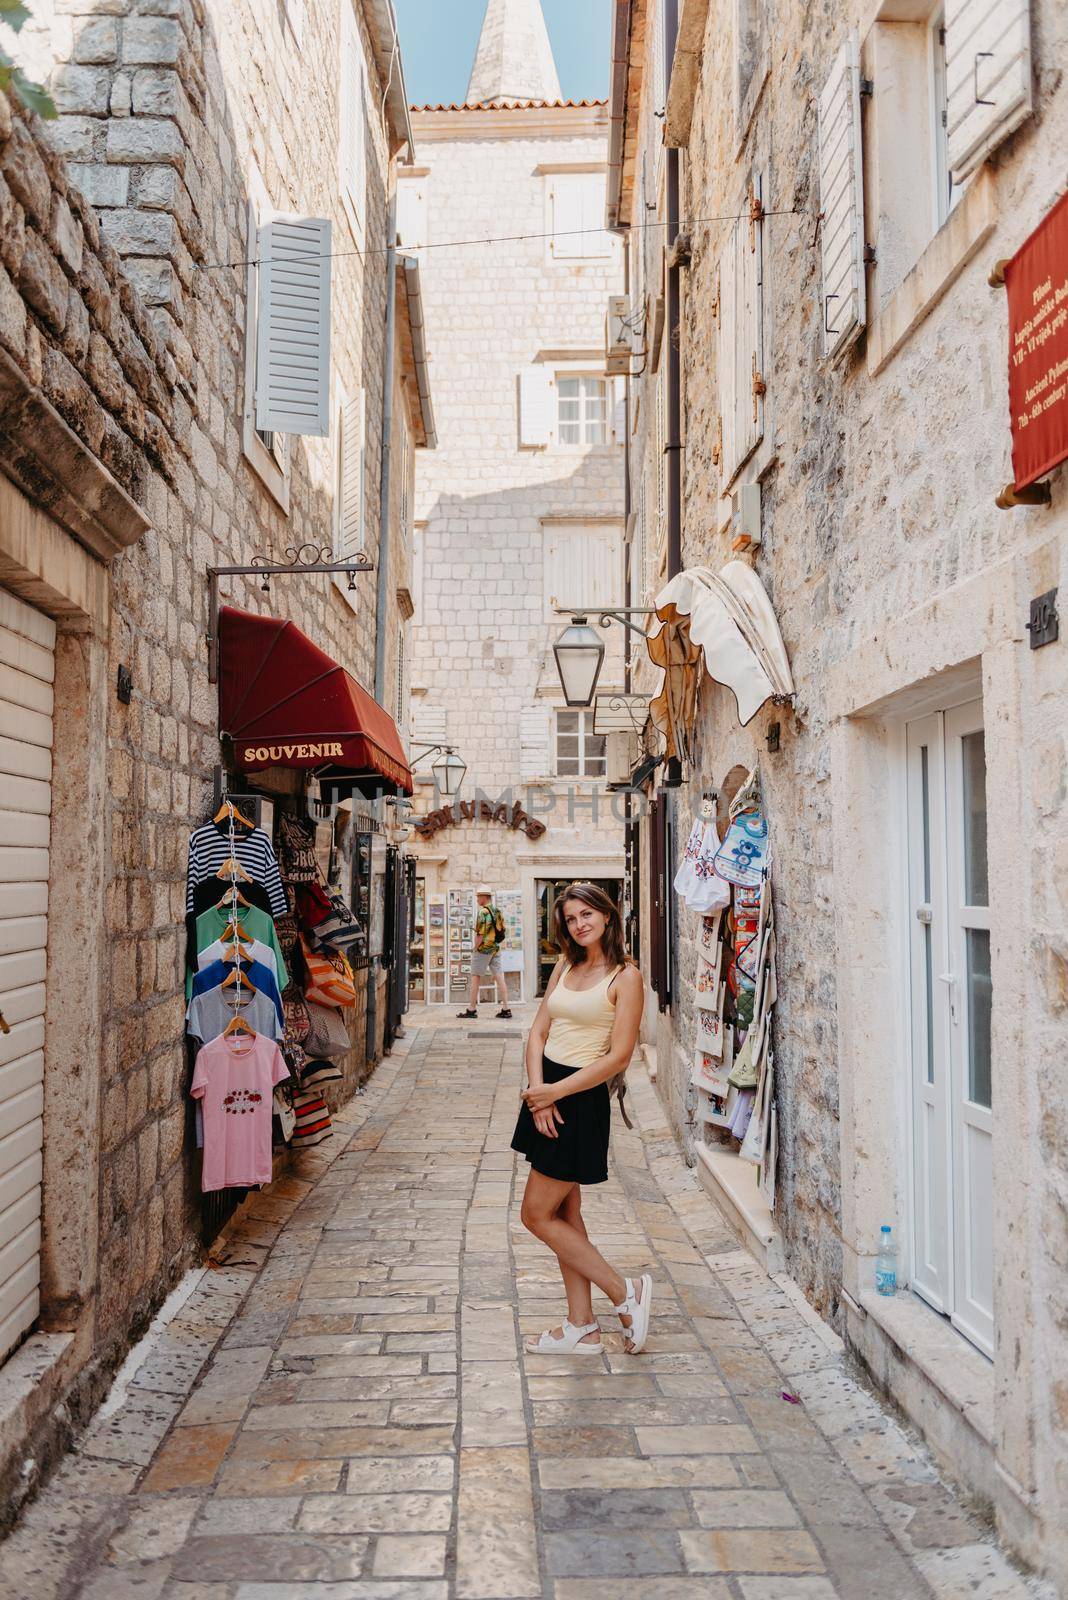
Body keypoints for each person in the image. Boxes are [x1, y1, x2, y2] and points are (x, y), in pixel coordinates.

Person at [511, 882, 650, 1355]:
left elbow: (619, 1056)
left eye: (587, 914)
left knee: (535, 1213)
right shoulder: (567, 966)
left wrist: (556, 1094)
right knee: (565, 1212)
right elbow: (537, 1033)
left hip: (580, 1097)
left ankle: (623, 1293)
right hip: (545, 1093)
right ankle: (582, 1327)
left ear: (607, 916)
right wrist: (538, 1095)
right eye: (570, 918)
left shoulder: (625, 977)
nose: (579, 924)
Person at [456, 884, 512, 1020]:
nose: (477, 899)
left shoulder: (482, 913)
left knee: (475, 977)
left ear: (484, 897)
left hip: (483, 949)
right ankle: (506, 1009)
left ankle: (471, 1009)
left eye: (478, 897)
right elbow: (502, 930)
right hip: (495, 948)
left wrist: (475, 948)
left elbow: (480, 935)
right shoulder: (497, 911)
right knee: (499, 977)